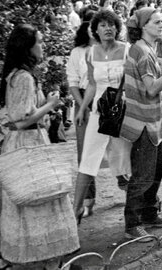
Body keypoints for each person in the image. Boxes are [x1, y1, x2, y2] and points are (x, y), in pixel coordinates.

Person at [0, 25, 79, 270]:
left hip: (23, 142)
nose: (43, 46)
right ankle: (45, 259)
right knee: (39, 198)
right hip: (28, 143)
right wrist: (49, 104)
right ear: (27, 48)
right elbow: (21, 120)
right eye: (39, 42)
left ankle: (33, 257)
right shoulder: (24, 78)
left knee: (31, 201)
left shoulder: (17, 75)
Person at [120, 8, 162, 239]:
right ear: (143, 27)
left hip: (151, 121)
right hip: (143, 123)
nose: (161, 25)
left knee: (158, 169)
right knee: (144, 175)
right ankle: (132, 224)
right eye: (156, 22)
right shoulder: (143, 52)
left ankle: (149, 214)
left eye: (161, 22)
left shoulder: (144, 49)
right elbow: (152, 88)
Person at [72, 10, 133, 221]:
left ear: (117, 28)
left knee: (125, 162)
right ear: (95, 30)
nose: (108, 28)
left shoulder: (127, 50)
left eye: (112, 25)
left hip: (121, 114)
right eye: (103, 25)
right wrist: (82, 109)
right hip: (99, 113)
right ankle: (76, 209)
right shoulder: (90, 53)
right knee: (87, 161)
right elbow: (92, 83)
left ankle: (137, 211)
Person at [65, 12, 96, 218]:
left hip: (105, 100)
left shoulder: (108, 50)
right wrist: (82, 106)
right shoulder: (77, 52)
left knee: (117, 149)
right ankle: (88, 201)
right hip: (83, 101)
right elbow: (73, 81)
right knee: (86, 153)